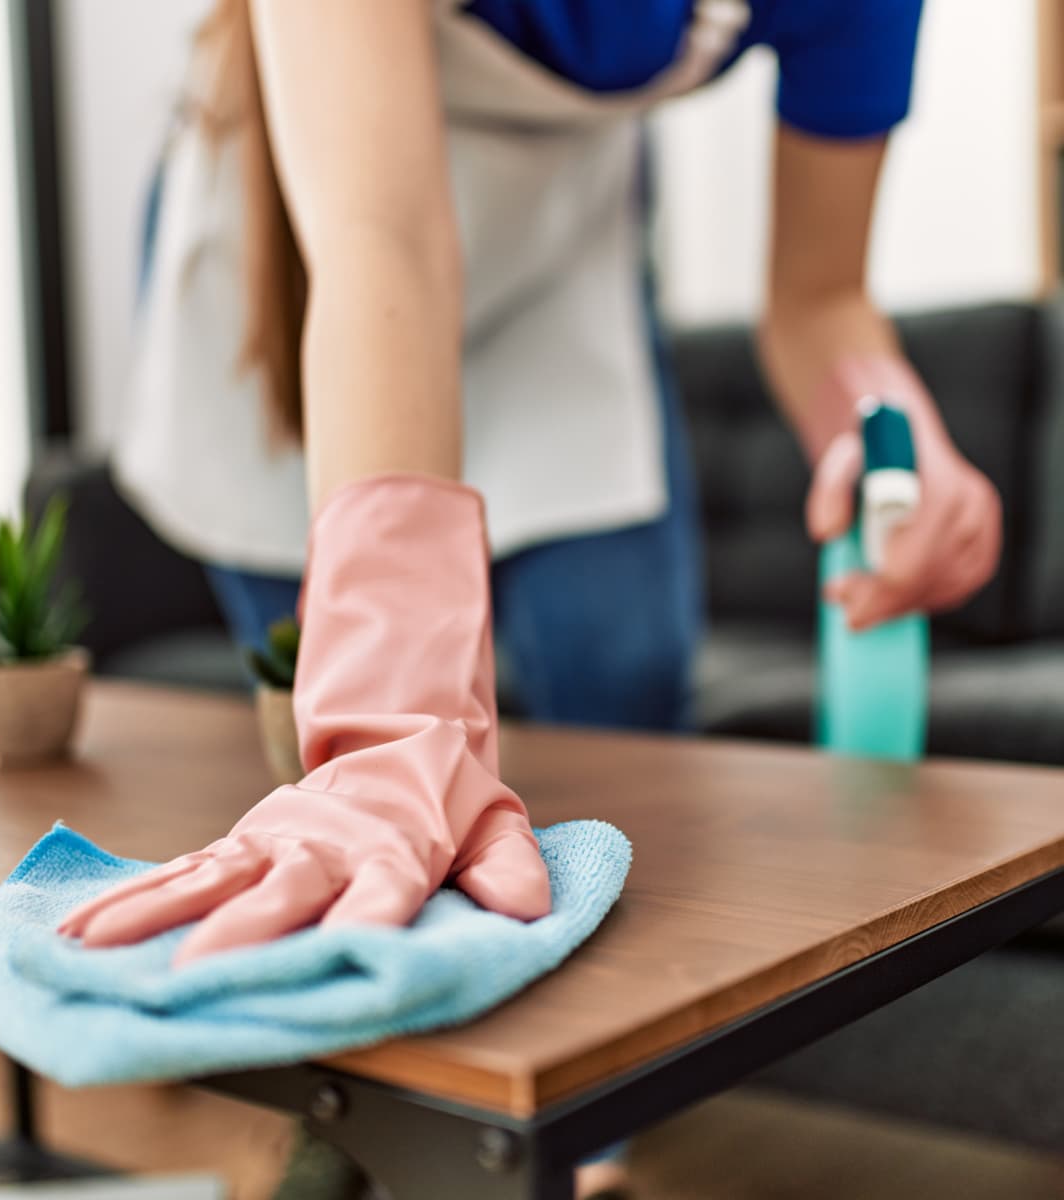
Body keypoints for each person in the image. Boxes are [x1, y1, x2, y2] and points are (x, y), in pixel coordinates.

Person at [61, 2, 1002, 1194]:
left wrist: (883, 420)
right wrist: (390, 721)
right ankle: (356, 1120)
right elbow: (383, 239)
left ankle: (576, 1133)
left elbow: (818, 297)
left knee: (622, 678)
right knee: (335, 745)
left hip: (559, 252)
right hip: (315, 252)